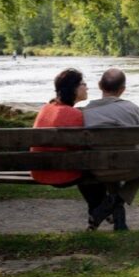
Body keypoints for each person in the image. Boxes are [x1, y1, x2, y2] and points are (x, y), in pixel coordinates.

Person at [30, 68, 110, 230]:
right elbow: (87, 147)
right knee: (94, 166)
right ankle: (104, 209)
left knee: (85, 165)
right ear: (73, 88)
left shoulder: (46, 109)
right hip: (60, 174)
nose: (87, 87)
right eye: (83, 84)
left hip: (39, 170)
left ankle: (99, 211)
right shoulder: (74, 115)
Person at [82, 67, 139, 231]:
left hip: (99, 169)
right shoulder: (132, 109)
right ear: (123, 89)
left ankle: (118, 221)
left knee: (110, 162)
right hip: (131, 170)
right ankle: (114, 201)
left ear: (99, 85)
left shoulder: (85, 112)